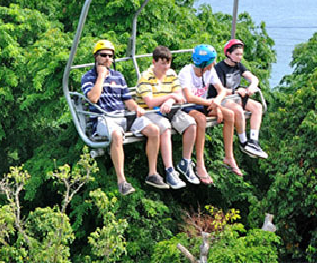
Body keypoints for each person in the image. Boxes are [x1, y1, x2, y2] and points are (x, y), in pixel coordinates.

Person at [81, 39, 163, 195]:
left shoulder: (118, 76)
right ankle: (122, 181)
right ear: (96, 57)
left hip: (123, 116)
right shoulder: (88, 77)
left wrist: (136, 108)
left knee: (154, 129)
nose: (107, 59)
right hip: (104, 119)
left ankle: (152, 173)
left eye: (110, 56)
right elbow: (92, 98)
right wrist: (101, 77)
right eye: (103, 55)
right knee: (117, 135)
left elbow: (128, 100)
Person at [135, 46, 197, 188]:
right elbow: (149, 102)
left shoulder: (171, 74)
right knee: (165, 126)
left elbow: (179, 96)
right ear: (154, 62)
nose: (165, 67)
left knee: (191, 124)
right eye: (162, 63)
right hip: (150, 113)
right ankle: (169, 170)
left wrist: (170, 101)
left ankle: (186, 162)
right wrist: (169, 97)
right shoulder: (146, 77)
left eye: (168, 63)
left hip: (170, 109)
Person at [178, 44, 239, 182]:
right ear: (205, 63)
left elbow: (221, 90)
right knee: (201, 119)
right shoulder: (186, 72)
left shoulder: (209, 72)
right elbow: (189, 97)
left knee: (229, 115)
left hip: (205, 103)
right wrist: (212, 104)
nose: (214, 64)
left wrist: (217, 102)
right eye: (212, 61)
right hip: (188, 106)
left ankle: (229, 156)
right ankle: (200, 163)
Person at [211, 39, 268, 159]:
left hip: (236, 96)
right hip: (224, 98)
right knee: (237, 110)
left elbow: (253, 77)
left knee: (257, 106)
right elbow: (219, 89)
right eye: (237, 54)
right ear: (228, 54)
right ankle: (243, 142)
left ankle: (254, 141)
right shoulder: (219, 68)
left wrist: (251, 87)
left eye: (241, 54)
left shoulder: (239, 66)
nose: (239, 57)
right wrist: (235, 91)